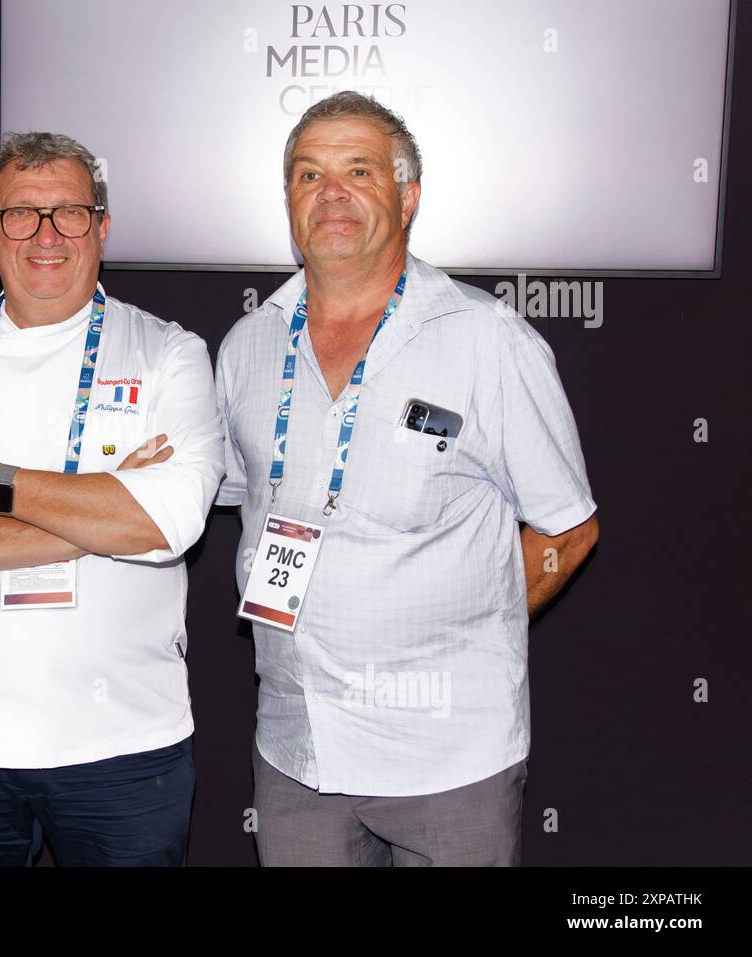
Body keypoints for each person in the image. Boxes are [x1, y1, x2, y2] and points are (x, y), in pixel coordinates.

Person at [215, 91, 599, 866]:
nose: (331, 192)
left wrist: (471, 627)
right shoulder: (247, 346)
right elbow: (232, 492)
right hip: (298, 748)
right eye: (308, 173)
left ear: (408, 195)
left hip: (448, 758)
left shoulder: (487, 339)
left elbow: (570, 526)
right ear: (288, 198)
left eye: (358, 170)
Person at [0, 131, 224, 866]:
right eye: (22, 214)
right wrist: (107, 509)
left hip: (127, 744)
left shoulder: (170, 353)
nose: (47, 235)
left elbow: (174, 517)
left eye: (69, 212)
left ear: (103, 226)